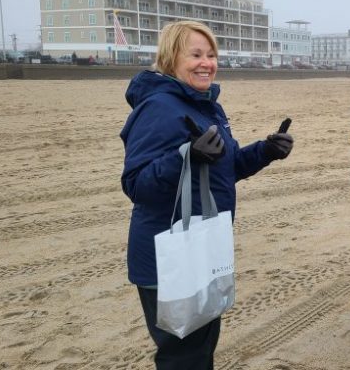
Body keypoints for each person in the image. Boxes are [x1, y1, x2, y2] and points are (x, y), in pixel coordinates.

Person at [119, 20, 294, 369]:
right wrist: (184, 157)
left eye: (211, 55)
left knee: (201, 348)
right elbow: (135, 184)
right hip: (168, 254)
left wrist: (265, 150)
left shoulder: (206, 105)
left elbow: (224, 169)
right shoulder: (159, 107)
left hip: (204, 245)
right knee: (182, 355)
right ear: (172, 59)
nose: (206, 63)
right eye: (196, 54)